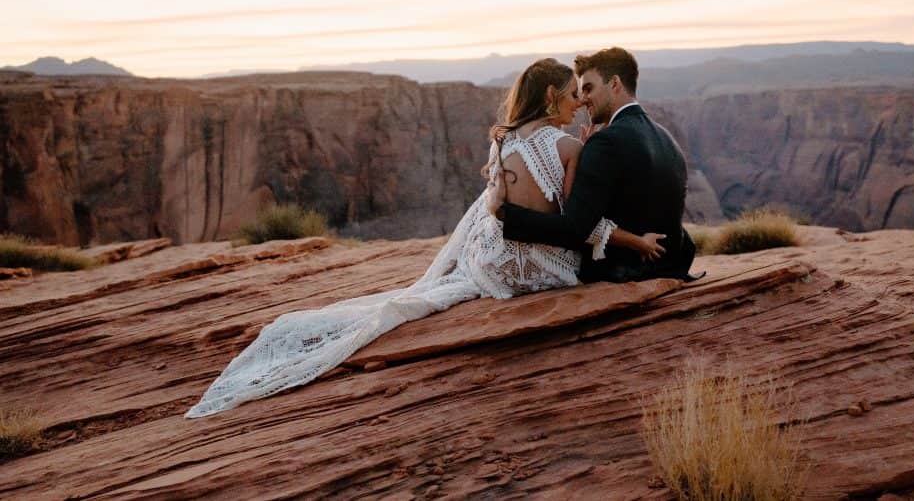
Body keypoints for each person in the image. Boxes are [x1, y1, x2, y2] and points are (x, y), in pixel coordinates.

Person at [186, 58, 664, 418]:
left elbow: (499, 208)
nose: (579, 103)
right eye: (572, 95)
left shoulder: (503, 141)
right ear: (551, 97)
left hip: (495, 266)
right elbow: (577, 223)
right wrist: (635, 241)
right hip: (541, 272)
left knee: (473, 236)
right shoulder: (571, 147)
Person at [489, 47, 703, 284]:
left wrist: (505, 214)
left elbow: (574, 229)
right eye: (579, 92)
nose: (583, 100)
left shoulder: (605, 142)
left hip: (622, 273)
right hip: (671, 265)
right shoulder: (666, 138)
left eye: (588, 88)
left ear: (614, 84)